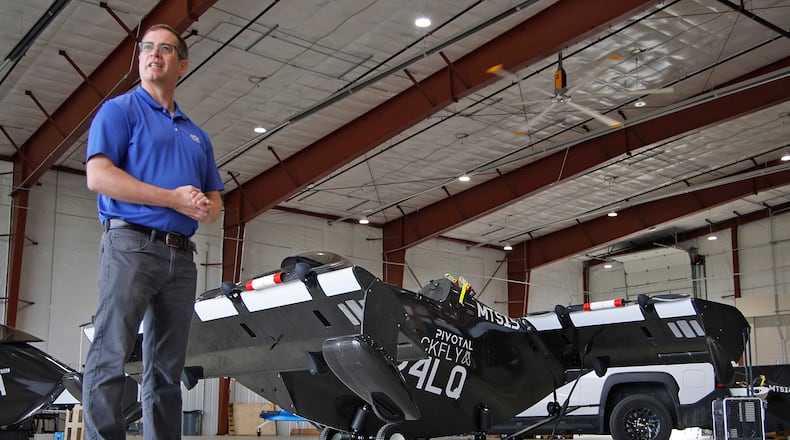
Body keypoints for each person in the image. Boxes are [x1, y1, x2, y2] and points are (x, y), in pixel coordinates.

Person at [82, 23, 224, 439]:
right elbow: (99, 175)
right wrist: (174, 199)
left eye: (165, 49)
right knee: (110, 355)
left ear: (182, 64)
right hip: (130, 244)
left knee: (166, 369)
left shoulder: (197, 135)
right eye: (147, 47)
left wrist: (205, 208)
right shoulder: (120, 111)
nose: (153, 54)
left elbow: (216, 198)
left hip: (181, 257)